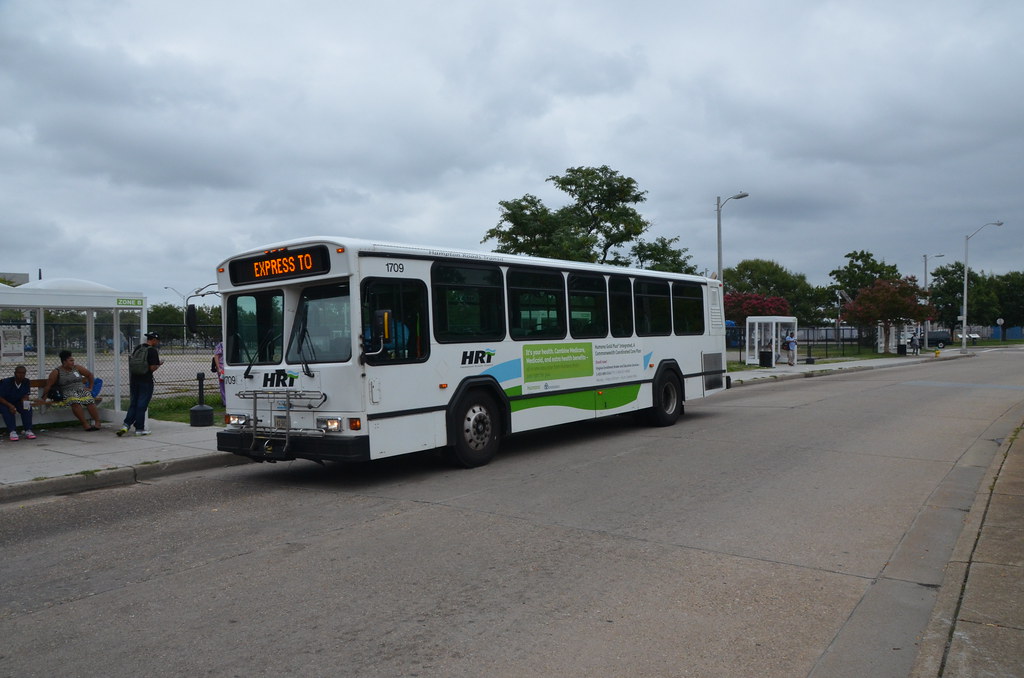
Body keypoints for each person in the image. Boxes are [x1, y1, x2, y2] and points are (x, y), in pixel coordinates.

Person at [44, 350, 103, 431]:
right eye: (71, 360)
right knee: (75, 402)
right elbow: (48, 385)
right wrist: (43, 398)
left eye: (73, 360)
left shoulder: (77, 368)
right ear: (64, 361)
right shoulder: (56, 371)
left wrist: (91, 387)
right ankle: (85, 424)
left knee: (89, 401)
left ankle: (97, 422)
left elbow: (89, 375)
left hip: (81, 389)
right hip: (68, 391)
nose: (73, 362)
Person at [117, 332, 163, 437]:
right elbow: (152, 368)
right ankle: (139, 428)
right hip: (145, 380)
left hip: (134, 379)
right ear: (154, 340)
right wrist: (159, 364)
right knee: (142, 405)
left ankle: (126, 425)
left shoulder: (138, 348)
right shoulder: (152, 351)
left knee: (134, 403)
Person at [0, 365, 36, 440]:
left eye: (23, 373)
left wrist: (25, 401)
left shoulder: (26, 381)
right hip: (4, 402)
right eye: (19, 373)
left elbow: (25, 395)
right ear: (15, 373)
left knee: (27, 407)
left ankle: (28, 430)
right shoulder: (6, 382)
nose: (21, 375)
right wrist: (10, 405)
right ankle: (12, 431)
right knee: (7, 410)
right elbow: (0, 397)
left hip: (17, 401)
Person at [212, 341, 225, 405]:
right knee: (223, 386)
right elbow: (216, 356)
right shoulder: (221, 344)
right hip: (222, 368)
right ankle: (225, 402)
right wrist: (218, 368)